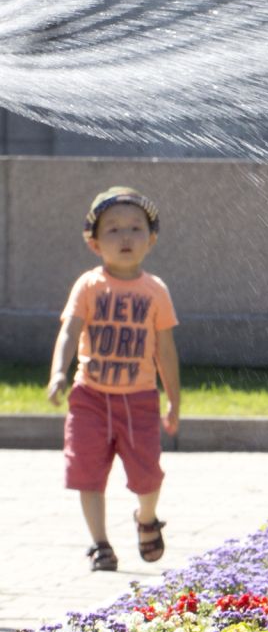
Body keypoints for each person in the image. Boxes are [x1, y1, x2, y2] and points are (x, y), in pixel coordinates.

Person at [44, 187, 182, 572]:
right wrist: (59, 372)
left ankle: (146, 517)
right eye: (113, 229)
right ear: (94, 242)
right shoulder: (88, 286)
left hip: (138, 399)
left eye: (136, 228)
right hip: (89, 396)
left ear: (151, 239)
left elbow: (165, 352)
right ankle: (100, 543)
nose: (125, 237)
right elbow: (69, 331)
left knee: (148, 474)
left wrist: (174, 401)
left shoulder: (155, 291)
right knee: (87, 471)